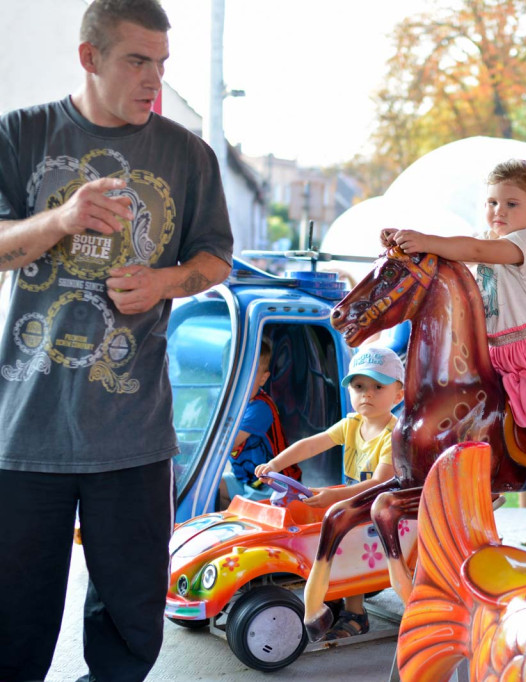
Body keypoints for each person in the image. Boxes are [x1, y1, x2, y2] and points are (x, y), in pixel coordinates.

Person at [0, 2, 234, 680]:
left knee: (131, 627)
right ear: (89, 58)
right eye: (137, 60)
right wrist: (61, 219)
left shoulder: (188, 155)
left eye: (161, 63)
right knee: (13, 624)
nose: (153, 80)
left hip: (133, 435)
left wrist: (166, 280)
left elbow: (215, 256)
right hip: (25, 430)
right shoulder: (22, 134)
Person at [381, 159, 526, 564]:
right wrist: (405, 246)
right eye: (492, 202)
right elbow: (452, 259)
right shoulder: (487, 239)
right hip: (495, 356)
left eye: (511, 204)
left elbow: (469, 249)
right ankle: (483, 493)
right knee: (471, 417)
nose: (498, 212)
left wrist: (426, 238)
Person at [254, 345, 405, 637]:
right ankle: (329, 593)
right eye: (359, 386)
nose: (367, 394)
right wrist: (275, 462)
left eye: (377, 386)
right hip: (353, 501)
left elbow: (377, 484)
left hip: (380, 509)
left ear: (398, 395)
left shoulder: (393, 435)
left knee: (346, 536)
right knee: (308, 521)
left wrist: (333, 496)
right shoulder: (352, 425)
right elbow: (312, 444)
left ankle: (356, 613)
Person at [219, 338, 300, 508]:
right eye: (233, 372)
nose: (239, 380)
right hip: (247, 478)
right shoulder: (234, 404)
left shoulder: (260, 408)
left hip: (273, 484)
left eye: (247, 374)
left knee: (241, 512)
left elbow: (226, 444)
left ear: (263, 379)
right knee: (216, 486)